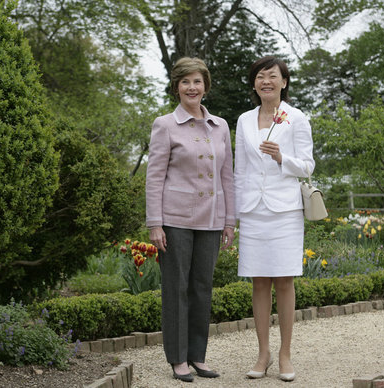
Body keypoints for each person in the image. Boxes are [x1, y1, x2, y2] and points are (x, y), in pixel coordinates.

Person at [145, 57, 236, 383]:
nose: (192, 87)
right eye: (185, 82)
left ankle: (198, 356)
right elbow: (154, 177)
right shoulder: (165, 124)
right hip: (176, 221)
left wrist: (230, 220)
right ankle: (178, 359)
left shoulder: (221, 126)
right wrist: (155, 223)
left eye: (197, 81)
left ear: (205, 86)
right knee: (176, 289)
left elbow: (228, 176)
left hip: (212, 221)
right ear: (177, 87)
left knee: (202, 288)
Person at [234, 56, 315, 382]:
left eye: (272, 76)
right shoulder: (243, 120)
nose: (266, 81)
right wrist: (237, 213)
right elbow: (240, 170)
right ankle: (263, 352)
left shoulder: (296, 118)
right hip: (253, 211)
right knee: (258, 281)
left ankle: (285, 354)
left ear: (284, 82)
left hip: (284, 210)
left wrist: (282, 157)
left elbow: (308, 166)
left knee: (284, 280)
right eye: (260, 76)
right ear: (254, 84)